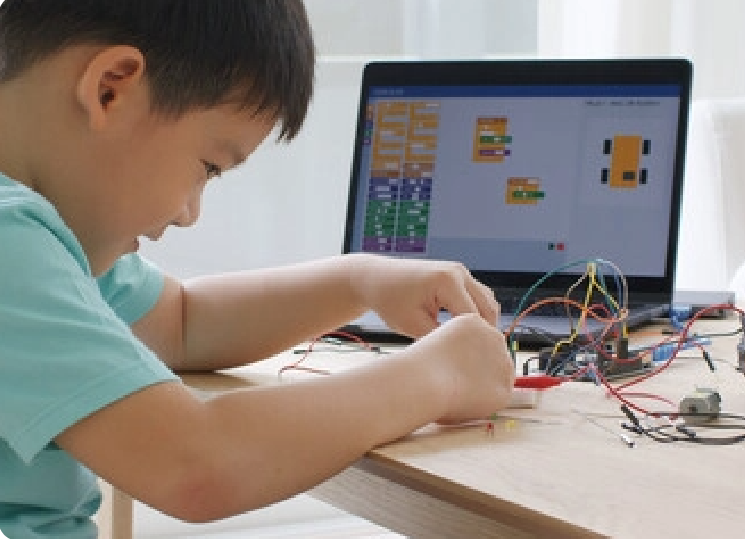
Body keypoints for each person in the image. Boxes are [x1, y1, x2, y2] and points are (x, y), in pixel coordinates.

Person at [0, 1, 515, 536]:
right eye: (207, 167)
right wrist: (439, 376)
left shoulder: (47, 239)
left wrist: (361, 280)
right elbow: (193, 463)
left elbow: (181, 322)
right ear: (111, 87)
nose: (188, 214)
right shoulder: (9, 243)